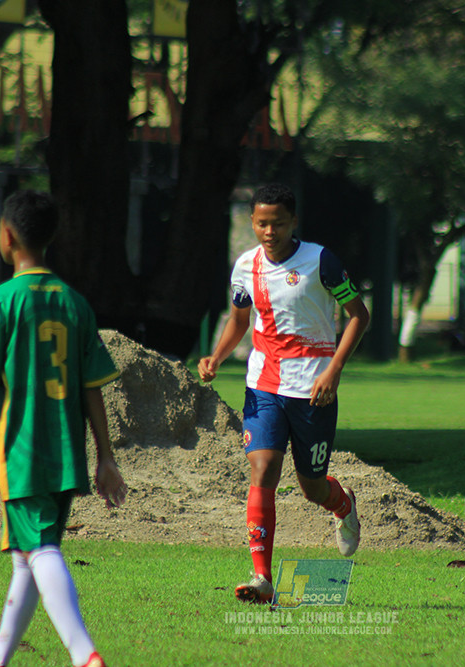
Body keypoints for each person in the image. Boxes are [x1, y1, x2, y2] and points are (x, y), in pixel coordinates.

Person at [0, 190, 127, 667]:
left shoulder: (0, 303)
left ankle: (85, 656)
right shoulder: (74, 304)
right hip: (67, 452)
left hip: (20, 450)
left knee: (39, 549)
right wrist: (105, 456)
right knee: (29, 554)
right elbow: (92, 389)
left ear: (5, 236)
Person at [197, 183, 370, 604]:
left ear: (293, 222)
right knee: (263, 470)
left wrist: (334, 370)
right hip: (264, 386)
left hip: (314, 389)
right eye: (261, 223)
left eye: (277, 223)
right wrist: (217, 356)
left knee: (311, 487)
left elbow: (358, 316)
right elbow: (239, 321)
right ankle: (262, 578)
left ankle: (342, 505)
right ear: (253, 222)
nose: (268, 231)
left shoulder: (320, 261)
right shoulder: (245, 266)